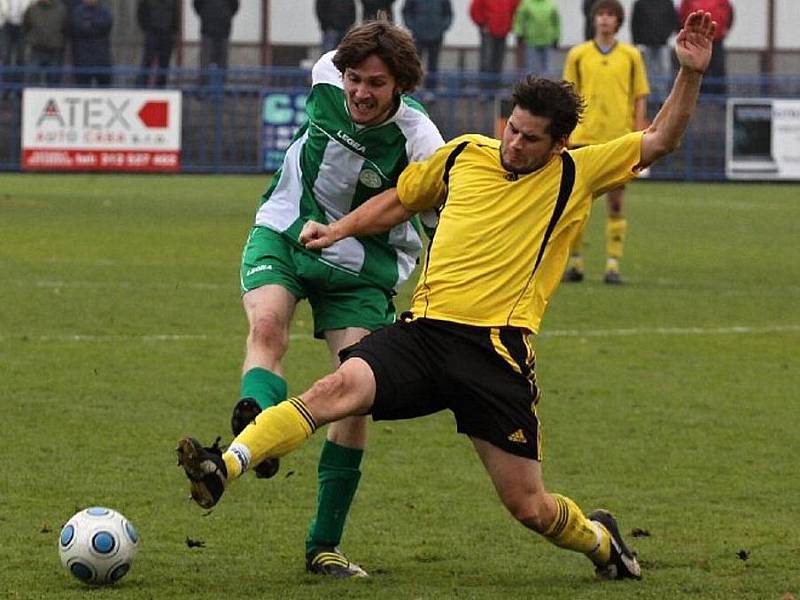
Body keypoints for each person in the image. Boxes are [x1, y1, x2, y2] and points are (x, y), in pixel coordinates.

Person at [176, 10, 716, 582]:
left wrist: (690, 73)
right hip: (426, 334)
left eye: (531, 139)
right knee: (337, 387)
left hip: (495, 355)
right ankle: (225, 465)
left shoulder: (576, 173)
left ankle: (602, 543)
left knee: (527, 506)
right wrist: (336, 230)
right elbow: (401, 201)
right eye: (511, 128)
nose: (514, 144)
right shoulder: (464, 154)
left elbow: (660, 138)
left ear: (559, 144)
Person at [187, 20, 442, 578]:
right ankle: (255, 428)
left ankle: (323, 544)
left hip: (364, 267)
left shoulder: (422, 141)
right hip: (286, 229)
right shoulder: (324, 73)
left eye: (376, 83)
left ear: (400, 85)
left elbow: (438, 221)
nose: (360, 92)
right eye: (354, 79)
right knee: (267, 330)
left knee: (354, 393)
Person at [562, 0, 650, 285]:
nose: (604, 19)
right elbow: (567, 95)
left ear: (618, 21)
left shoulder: (631, 55)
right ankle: (575, 263)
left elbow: (639, 97)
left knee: (615, 203)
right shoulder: (578, 54)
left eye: (611, 14)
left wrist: (638, 135)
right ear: (593, 19)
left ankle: (612, 265)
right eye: (600, 14)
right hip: (582, 140)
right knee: (575, 204)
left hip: (617, 140)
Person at [679, 0, 732, 95]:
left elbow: (730, 14)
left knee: (717, 67)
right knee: (698, 67)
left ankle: (718, 96)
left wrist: (725, 29)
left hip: (716, 37)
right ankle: (697, 95)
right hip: (697, 38)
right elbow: (683, 14)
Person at [401, 0, 452, 89]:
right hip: (417, 36)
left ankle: (431, 90)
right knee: (414, 63)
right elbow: (406, 12)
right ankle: (413, 89)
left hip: (436, 35)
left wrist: (441, 27)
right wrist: (413, 27)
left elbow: (448, 14)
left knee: (433, 64)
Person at [631, 0, 678, 96]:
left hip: (663, 44)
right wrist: (636, 42)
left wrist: (667, 35)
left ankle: (663, 98)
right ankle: (647, 98)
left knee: (664, 71)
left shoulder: (667, 3)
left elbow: (673, 20)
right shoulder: (640, 3)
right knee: (646, 72)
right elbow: (635, 22)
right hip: (645, 44)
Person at [469, 0, 520, 89]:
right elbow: (475, 9)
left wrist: (510, 25)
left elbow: (517, 10)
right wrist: (482, 24)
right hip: (488, 32)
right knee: (487, 61)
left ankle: (494, 91)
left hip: (503, 31)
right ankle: (484, 91)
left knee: (498, 62)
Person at [193, 0, 239, 85]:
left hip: (223, 30)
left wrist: (226, 15)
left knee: (222, 62)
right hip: (208, 30)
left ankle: (220, 89)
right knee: (205, 62)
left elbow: (235, 6)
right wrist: (205, 15)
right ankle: (204, 89)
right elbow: (197, 5)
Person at [135, 0, 179, 88]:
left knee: (164, 64)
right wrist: (148, 29)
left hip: (167, 35)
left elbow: (175, 17)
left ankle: (161, 88)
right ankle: (141, 87)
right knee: (147, 61)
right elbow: (141, 15)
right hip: (152, 34)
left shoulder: (172, 2)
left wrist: (173, 32)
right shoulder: (146, 2)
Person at [69, 0, 112, 87]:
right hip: (82, 59)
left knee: (105, 91)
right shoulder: (77, 12)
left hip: (102, 59)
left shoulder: (105, 12)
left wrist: (89, 24)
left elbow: (106, 26)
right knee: (83, 91)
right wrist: (95, 25)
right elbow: (77, 27)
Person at [23, 0, 66, 86]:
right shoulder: (31, 9)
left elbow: (65, 28)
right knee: (32, 80)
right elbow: (26, 27)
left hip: (55, 50)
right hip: (36, 50)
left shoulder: (61, 9)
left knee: (54, 81)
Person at [512, 0, 559, 77]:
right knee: (532, 71)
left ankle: (549, 88)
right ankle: (532, 89)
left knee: (548, 71)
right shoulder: (526, 4)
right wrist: (519, 33)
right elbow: (519, 20)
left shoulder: (550, 4)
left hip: (548, 41)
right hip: (531, 42)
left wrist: (556, 37)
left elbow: (556, 22)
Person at [1, 0, 32, 88]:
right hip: (6, 24)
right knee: (5, 57)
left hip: (23, 25)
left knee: (21, 58)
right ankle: (6, 89)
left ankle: (19, 90)